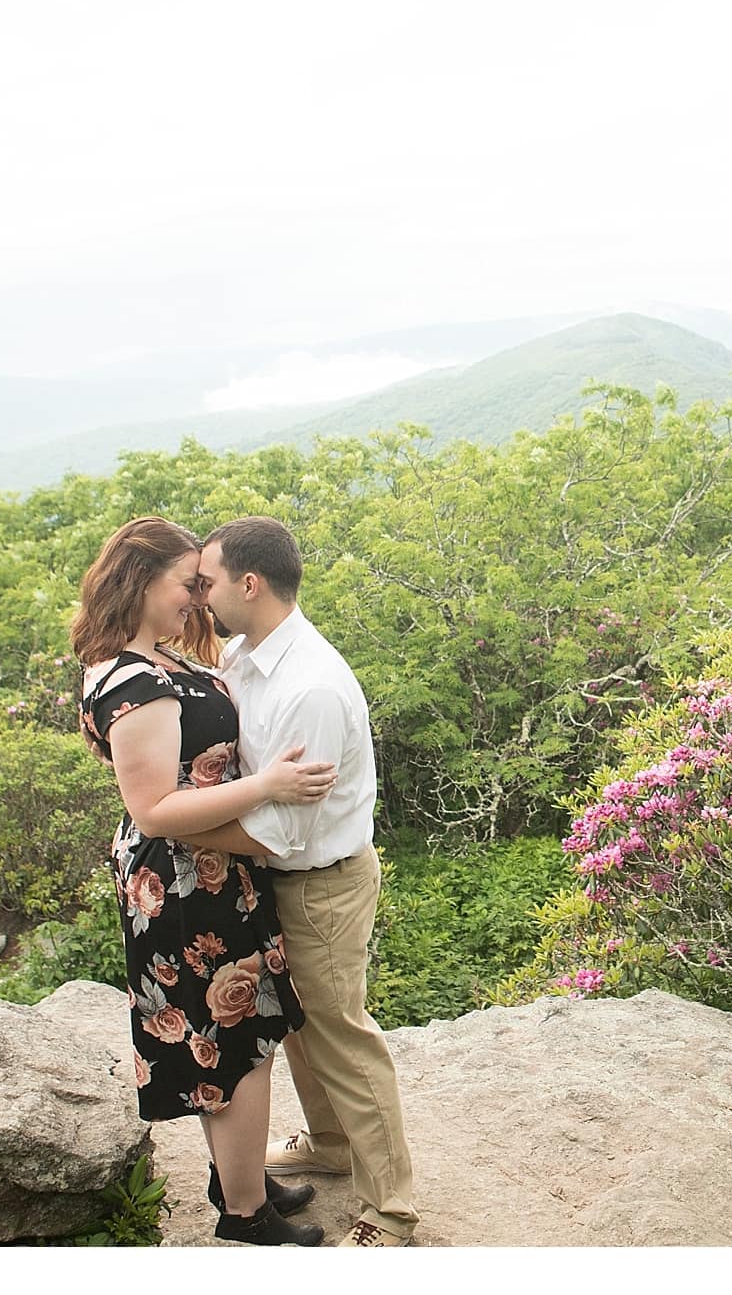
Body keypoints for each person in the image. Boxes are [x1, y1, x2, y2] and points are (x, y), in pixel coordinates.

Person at [73, 516, 340, 1247]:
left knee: (240, 1031)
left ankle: (239, 1175)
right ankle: (247, 1214)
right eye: (185, 583)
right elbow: (155, 810)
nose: (196, 598)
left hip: (216, 871)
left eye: (202, 583)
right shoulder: (135, 681)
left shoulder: (149, 658)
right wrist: (270, 787)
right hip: (188, 879)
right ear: (139, 579)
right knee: (235, 1040)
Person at [187, 515, 421, 1248]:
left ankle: (391, 1209)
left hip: (319, 881)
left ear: (248, 584)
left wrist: (174, 825)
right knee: (296, 1027)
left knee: (340, 1036)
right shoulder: (242, 653)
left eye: (208, 580)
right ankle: (330, 1142)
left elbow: (276, 831)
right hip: (275, 881)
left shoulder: (309, 687)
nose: (200, 593)